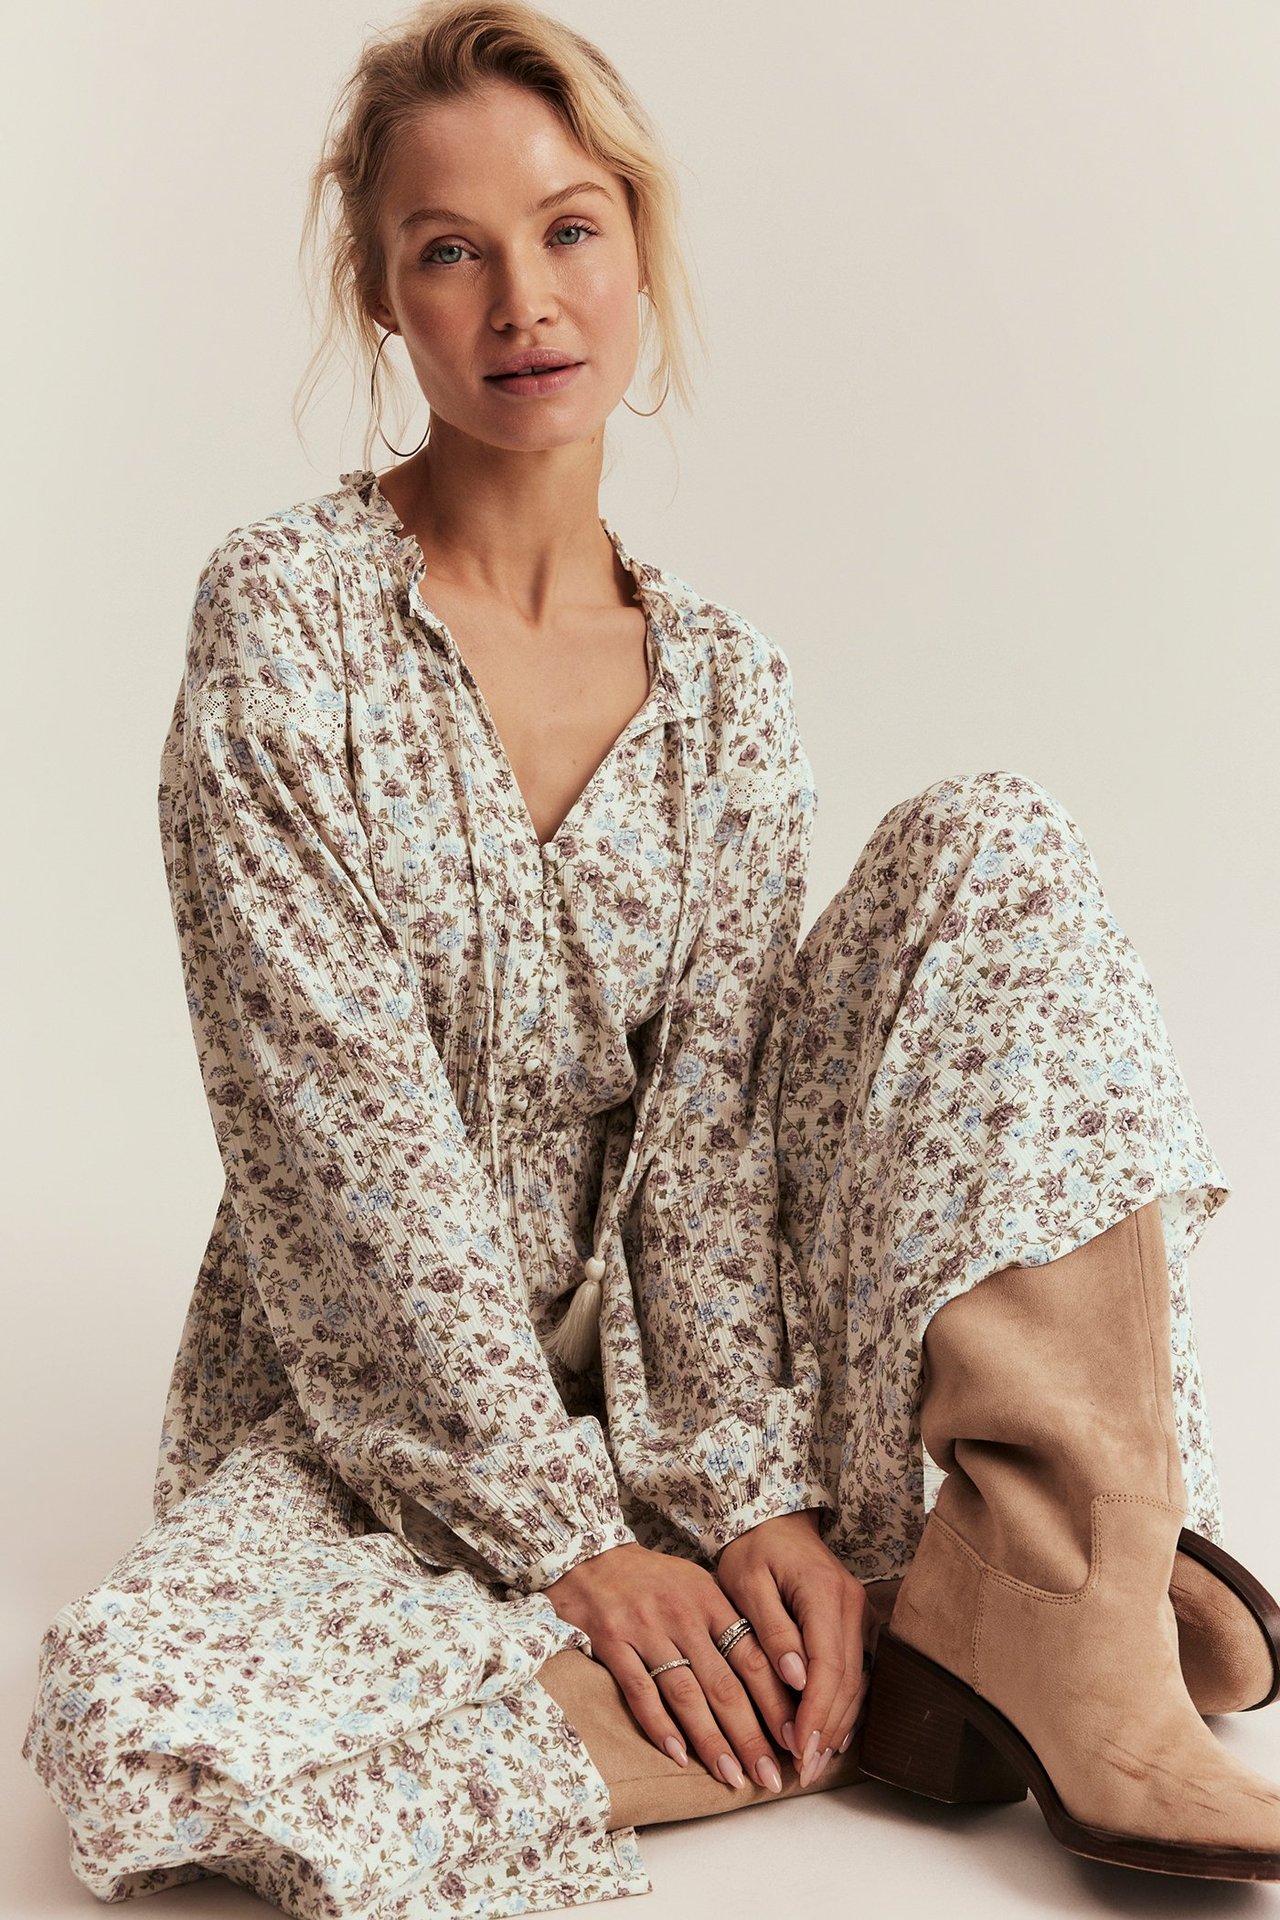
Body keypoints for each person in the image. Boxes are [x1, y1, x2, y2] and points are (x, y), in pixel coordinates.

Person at [21, 1, 1280, 1909]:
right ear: (384, 297)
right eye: (454, 250)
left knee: (992, 846)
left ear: (638, 244)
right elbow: (332, 1138)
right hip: (390, 1393)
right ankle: (926, 1634)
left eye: (570, 228)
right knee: (147, 1727)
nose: (524, 296)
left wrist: (748, 1496)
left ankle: (1067, 1633)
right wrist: (565, 1540)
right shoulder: (282, 623)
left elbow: (709, 1150)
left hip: (715, 1367)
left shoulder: (730, 693)